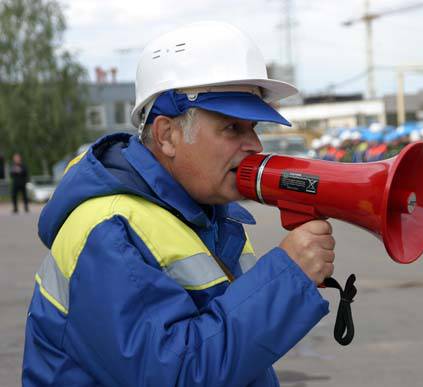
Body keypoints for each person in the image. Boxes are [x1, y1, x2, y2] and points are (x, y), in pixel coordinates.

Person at [22, 22, 334, 386]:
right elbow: (176, 373)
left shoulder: (212, 215)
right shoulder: (108, 231)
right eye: (233, 128)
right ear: (167, 135)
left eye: (254, 128)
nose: (254, 146)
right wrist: (287, 276)